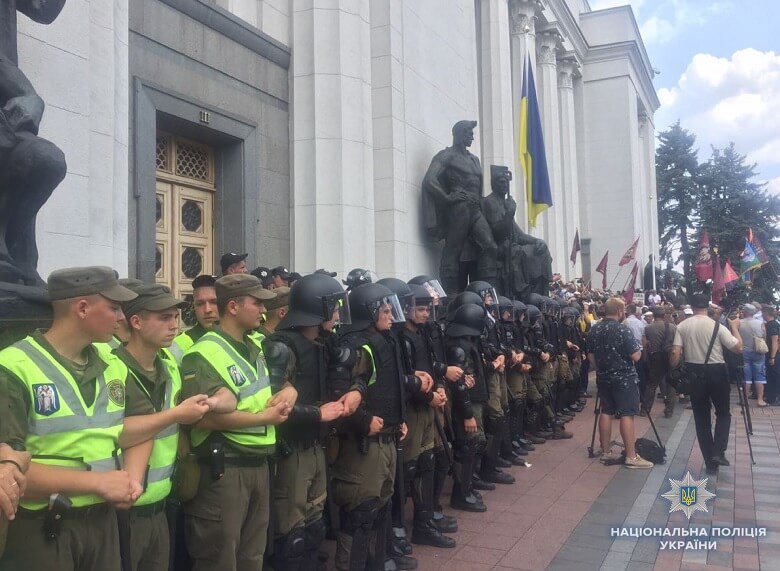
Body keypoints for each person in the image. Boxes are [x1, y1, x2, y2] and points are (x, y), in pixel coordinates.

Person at [0, 266, 140, 570]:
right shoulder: (14, 366)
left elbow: (137, 430)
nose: (121, 318)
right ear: (82, 308)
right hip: (42, 527)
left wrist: (131, 479)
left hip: (103, 522)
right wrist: (99, 483)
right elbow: (10, 470)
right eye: (114, 307)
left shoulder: (112, 364)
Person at [180, 274, 296, 570]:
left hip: (257, 464)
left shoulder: (254, 345)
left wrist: (289, 394)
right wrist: (262, 418)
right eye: (257, 303)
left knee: (251, 557)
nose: (263, 310)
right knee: (220, 558)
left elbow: (284, 383)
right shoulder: (203, 352)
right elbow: (202, 420)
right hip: (225, 472)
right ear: (233, 306)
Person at [114, 284, 213, 571]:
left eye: (176, 317)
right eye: (165, 318)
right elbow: (114, 434)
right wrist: (176, 414)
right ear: (137, 322)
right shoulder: (113, 369)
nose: (174, 326)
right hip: (123, 507)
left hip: (161, 502)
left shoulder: (169, 367)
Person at [262, 273, 350, 569]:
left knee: (314, 525)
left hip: (315, 445)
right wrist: (317, 414)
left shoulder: (320, 344)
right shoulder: (281, 347)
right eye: (332, 308)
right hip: (291, 450)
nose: (337, 315)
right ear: (316, 310)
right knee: (291, 533)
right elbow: (272, 407)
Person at [328, 283, 409, 570]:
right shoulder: (356, 346)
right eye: (385, 311)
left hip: (386, 440)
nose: (391, 316)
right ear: (369, 312)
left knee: (379, 509)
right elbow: (342, 394)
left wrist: (398, 421)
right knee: (360, 513)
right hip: (364, 447)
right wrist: (363, 422)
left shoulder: (383, 341)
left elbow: (389, 388)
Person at [670, 293, 743, 475]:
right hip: (716, 371)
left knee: (701, 418)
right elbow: (737, 348)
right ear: (707, 307)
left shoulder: (682, 326)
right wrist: (735, 328)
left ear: (692, 306)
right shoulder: (717, 326)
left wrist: (675, 366)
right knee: (723, 413)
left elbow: (675, 353)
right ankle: (719, 451)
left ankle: (711, 462)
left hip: (694, 373)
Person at [587, 297, 652, 469]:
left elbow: (591, 356)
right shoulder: (623, 330)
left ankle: (606, 451)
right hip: (624, 378)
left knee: (606, 411)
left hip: (603, 377)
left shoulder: (595, 329)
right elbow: (636, 356)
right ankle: (631, 456)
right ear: (619, 311)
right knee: (626, 414)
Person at [168, 275, 219, 364]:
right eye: (200, 304)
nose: (207, 310)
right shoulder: (178, 345)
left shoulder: (243, 338)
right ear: (193, 307)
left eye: (214, 302)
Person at [642, 306, 677, 418]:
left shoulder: (648, 328)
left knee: (652, 384)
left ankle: (645, 409)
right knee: (671, 384)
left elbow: (645, 344)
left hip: (656, 357)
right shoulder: (673, 327)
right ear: (664, 315)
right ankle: (669, 411)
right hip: (670, 355)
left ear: (653, 316)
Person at [739, 304, 768, 407]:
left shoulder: (739, 323)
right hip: (758, 351)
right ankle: (760, 400)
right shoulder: (760, 323)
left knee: (746, 376)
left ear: (745, 312)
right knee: (759, 375)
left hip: (744, 351)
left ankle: (745, 400)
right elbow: (764, 337)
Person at [763, 305, 780, 405]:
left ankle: (774, 397)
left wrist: (772, 357)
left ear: (766, 313)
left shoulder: (772, 325)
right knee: (773, 376)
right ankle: (772, 397)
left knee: (774, 377)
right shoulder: (774, 324)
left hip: (773, 355)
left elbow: (775, 342)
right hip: (773, 354)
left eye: (763, 313)